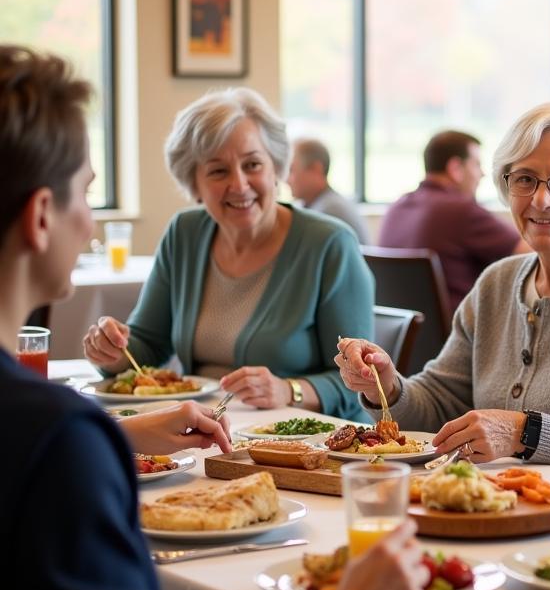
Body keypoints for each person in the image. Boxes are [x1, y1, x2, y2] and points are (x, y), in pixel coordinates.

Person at [0, 45, 425, 590]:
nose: (92, 224)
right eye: (88, 190)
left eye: (252, 164)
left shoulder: (62, 436)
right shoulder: (61, 446)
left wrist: (117, 435)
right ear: (43, 215)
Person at [338, 101, 550, 492]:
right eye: (524, 179)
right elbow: (440, 403)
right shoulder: (496, 283)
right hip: (494, 516)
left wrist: (528, 431)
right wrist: (385, 385)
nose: (540, 200)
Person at [83, 88, 373, 418]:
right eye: (218, 171)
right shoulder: (184, 234)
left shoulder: (330, 244)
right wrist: (111, 350)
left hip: (312, 444)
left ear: (276, 169)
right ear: (194, 183)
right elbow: (147, 346)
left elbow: (360, 383)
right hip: (207, 430)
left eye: (252, 164)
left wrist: (287, 390)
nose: (239, 185)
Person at [378, 129, 531, 309]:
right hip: (460, 333)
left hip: (405, 334)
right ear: (455, 168)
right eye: (476, 165)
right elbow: (531, 254)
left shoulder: (396, 208)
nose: (481, 174)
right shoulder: (461, 210)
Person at [287, 137, 370, 244]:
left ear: (316, 169)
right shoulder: (314, 204)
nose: (286, 180)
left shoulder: (331, 210)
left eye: (291, 170)